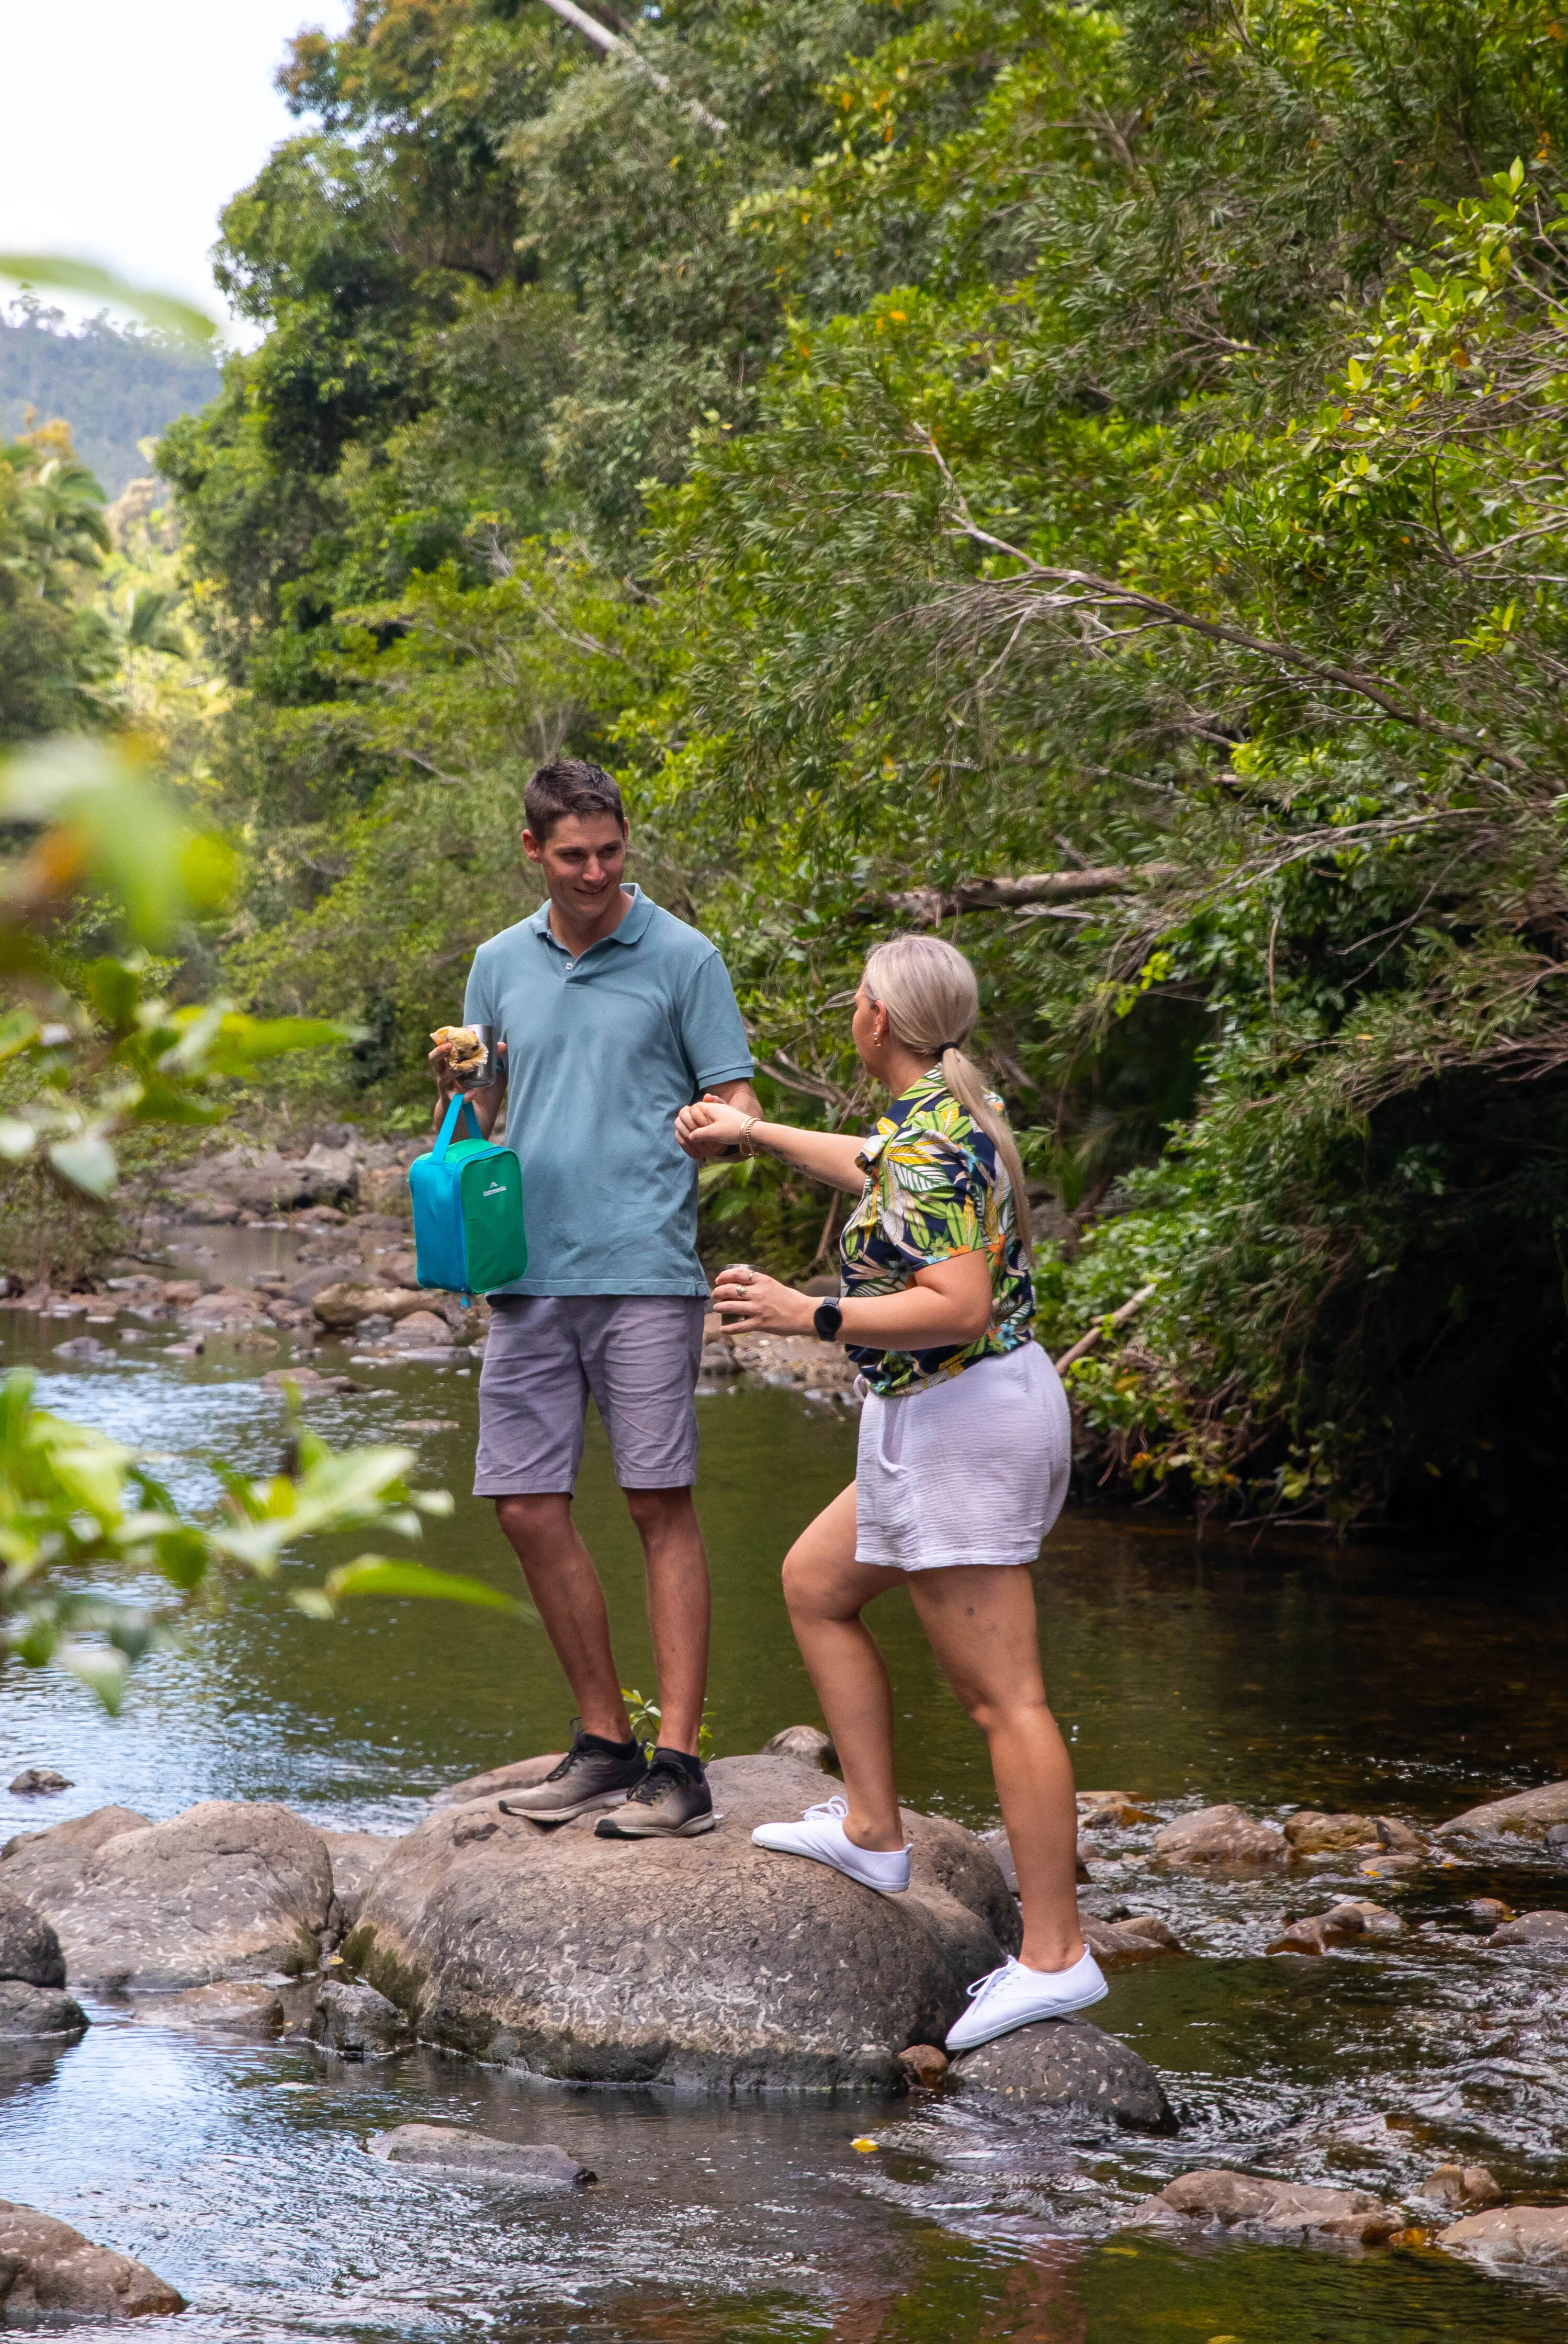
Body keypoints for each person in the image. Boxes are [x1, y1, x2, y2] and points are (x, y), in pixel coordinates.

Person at [674, 933, 1098, 2049]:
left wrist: (804, 1311)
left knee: (1006, 1699)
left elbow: (955, 1302)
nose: (851, 1008)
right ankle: (870, 1826)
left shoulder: (934, 1137)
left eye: (856, 995)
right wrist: (755, 1132)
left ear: (878, 1020)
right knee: (816, 1582)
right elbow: (875, 1164)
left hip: (965, 1417)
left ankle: (1057, 1955)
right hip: (941, 1415)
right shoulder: (939, 1116)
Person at [432, 758, 758, 1839]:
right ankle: (604, 1740)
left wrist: (721, 1121)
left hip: (644, 1268)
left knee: (658, 1502)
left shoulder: (683, 954)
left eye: (610, 851)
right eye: (572, 855)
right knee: (525, 1504)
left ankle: (682, 1765)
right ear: (532, 850)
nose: (594, 871)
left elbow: (737, 1093)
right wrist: (457, 1089)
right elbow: (485, 1108)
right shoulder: (497, 965)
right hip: (525, 1268)